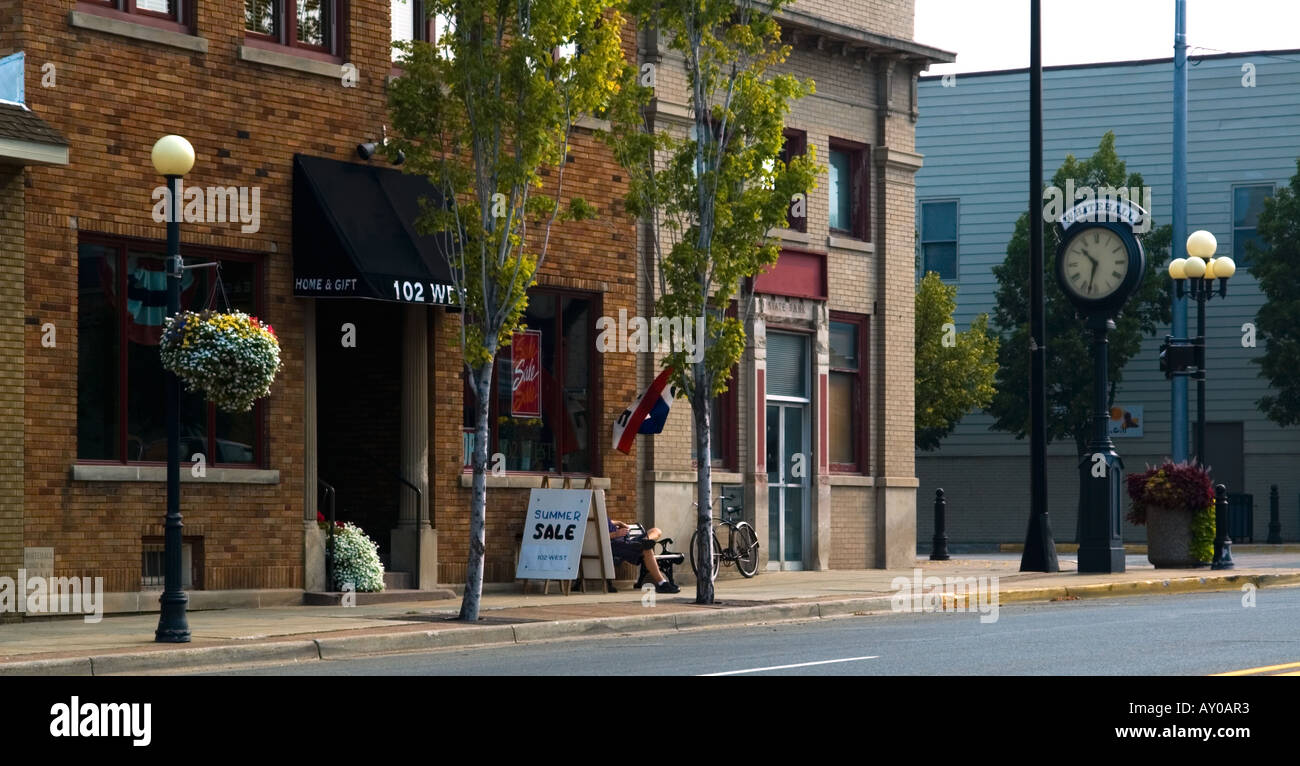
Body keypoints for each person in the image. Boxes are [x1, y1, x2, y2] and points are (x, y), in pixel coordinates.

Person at [609, 519, 679, 593]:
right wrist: (615, 534)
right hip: (617, 545)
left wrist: (620, 523)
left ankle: (646, 540)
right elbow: (597, 537)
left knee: (656, 530)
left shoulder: (602, 517)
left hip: (628, 541)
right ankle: (662, 583)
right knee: (646, 549)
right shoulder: (596, 520)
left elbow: (610, 522)